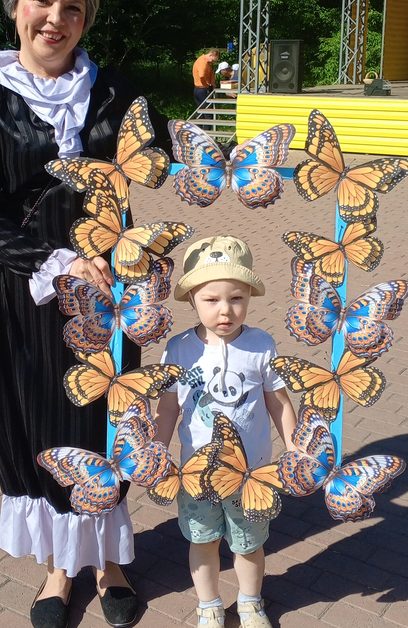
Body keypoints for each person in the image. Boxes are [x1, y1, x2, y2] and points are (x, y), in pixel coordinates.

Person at [0, 0, 170, 628]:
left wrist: (217, 163)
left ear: (87, 17)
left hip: (112, 291)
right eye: (43, 2)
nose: (56, 18)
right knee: (45, 419)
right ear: (16, 6)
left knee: (111, 416)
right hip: (36, 291)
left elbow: (161, 157)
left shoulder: (116, 89)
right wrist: (56, 261)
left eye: (72, 7)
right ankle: (58, 568)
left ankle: (109, 564)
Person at [154, 236, 297, 628]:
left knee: (249, 544)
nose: (225, 310)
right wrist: (157, 449)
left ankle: (250, 602)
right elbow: (169, 407)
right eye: (211, 299)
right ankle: (209, 605)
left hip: (252, 474)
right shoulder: (180, 350)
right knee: (202, 541)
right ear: (191, 299)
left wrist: (295, 446)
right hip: (196, 474)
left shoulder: (261, 346)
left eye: (236, 298)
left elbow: (279, 403)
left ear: (249, 296)